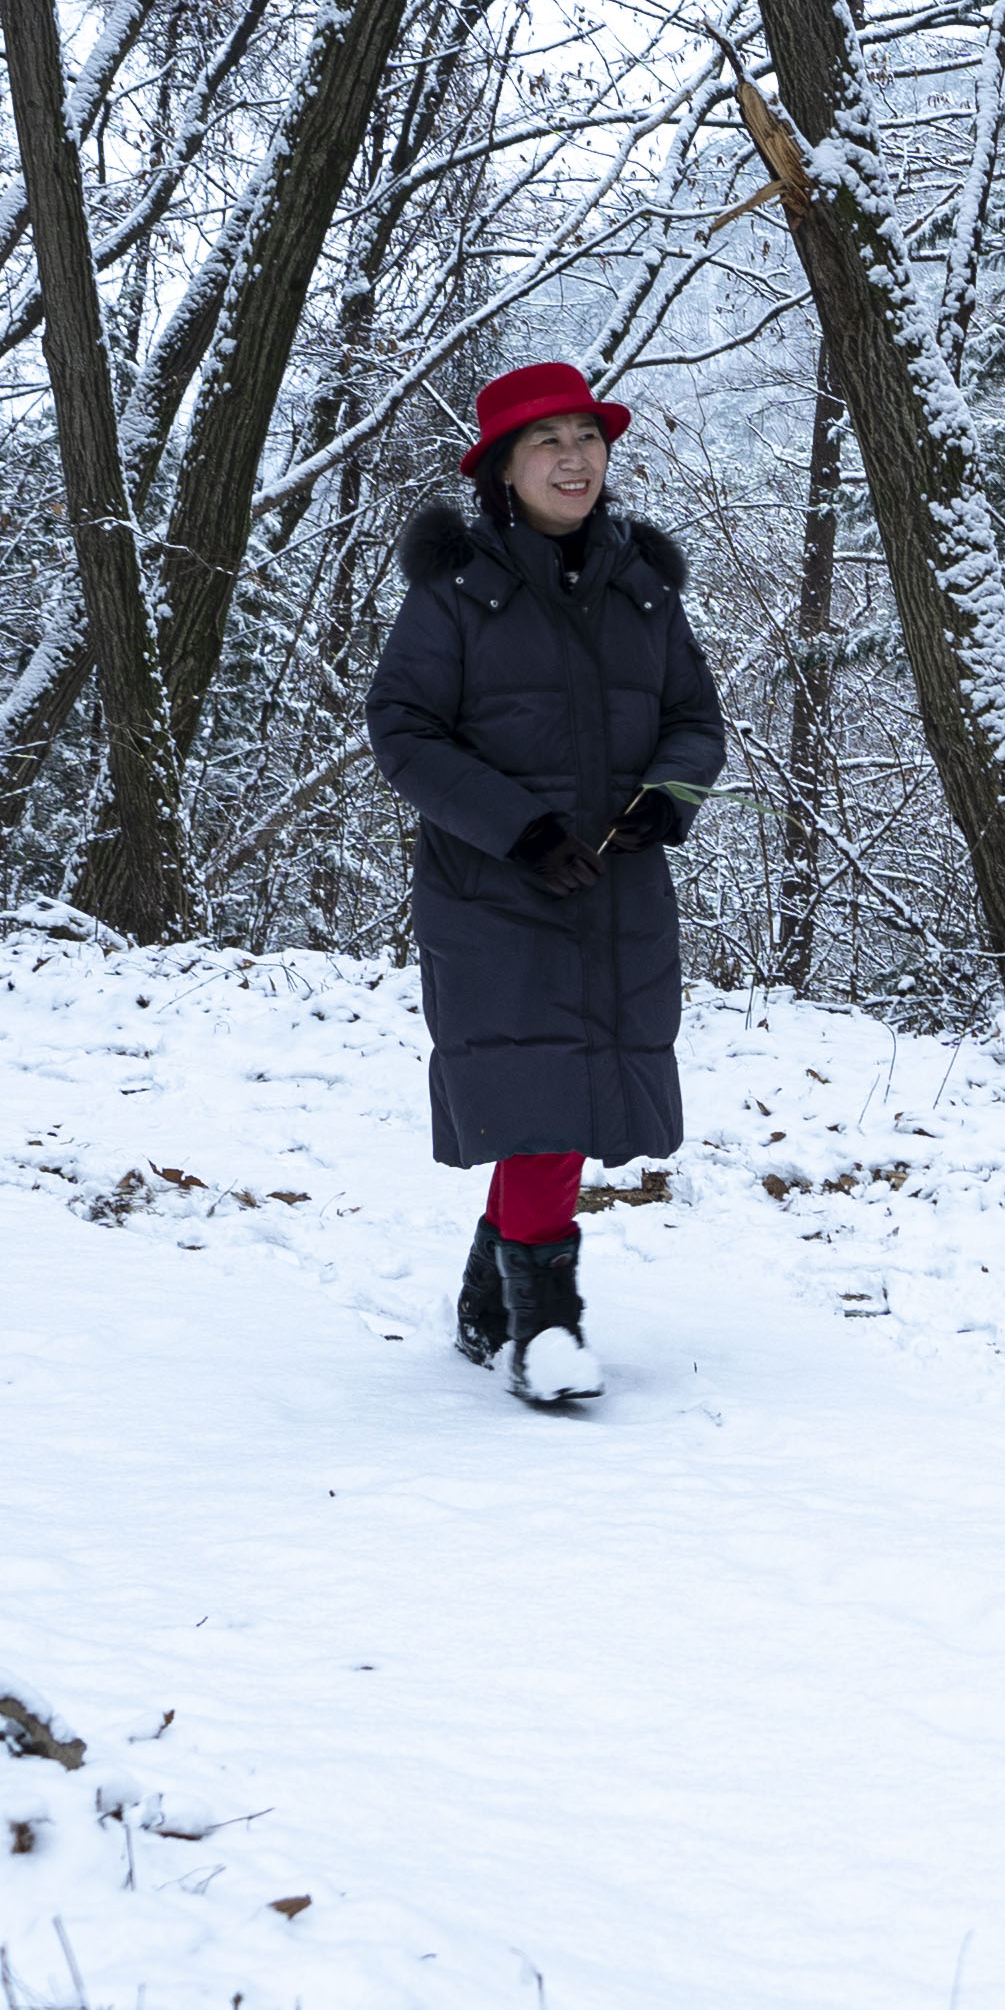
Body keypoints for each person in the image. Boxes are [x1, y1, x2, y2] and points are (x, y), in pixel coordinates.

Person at [368, 361, 726, 1403]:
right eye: (547, 441)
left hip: (617, 893)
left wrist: (668, 797)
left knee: (558, 1104)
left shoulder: (643, 588)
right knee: (545, 1106)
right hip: (494, 892)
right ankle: (547, 1331)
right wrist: (519, 831)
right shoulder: (455, 593)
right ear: (501, 469)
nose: (574, 458)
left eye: (587, 437)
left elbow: (693, 718)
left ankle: (492, 1300)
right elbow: (403, 731)